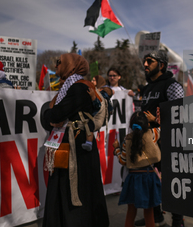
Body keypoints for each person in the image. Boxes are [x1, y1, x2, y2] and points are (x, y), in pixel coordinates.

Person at [42, 53, 109, 227]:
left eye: (59, 62)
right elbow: (53, 117)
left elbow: (55, 114)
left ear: (71, 65)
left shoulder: (79, 88)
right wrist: (50, 116)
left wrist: (48, 114)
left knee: (76, 189)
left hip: (76, 149)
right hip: (71, 146)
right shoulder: (69, 87)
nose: (56, 66)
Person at [138, 49, 185, 227]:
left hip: (167, 145)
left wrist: (157, 121)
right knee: (150, 181)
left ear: (162, 65)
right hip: (148, 144)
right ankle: (156, 215)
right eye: (145, 61)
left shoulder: (172, 86)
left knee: (171, 184)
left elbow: (179, 115)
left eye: (150, 61)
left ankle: (178, 220)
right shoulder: (148, 87)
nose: (145, 64)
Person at [113, 111, 161, 227]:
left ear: (130, 125)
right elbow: (163, 126)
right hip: (149, 177)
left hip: (133, 178)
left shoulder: (127, 140)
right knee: (149, 212)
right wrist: (154, 119)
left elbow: (123, 161)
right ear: (147, 124)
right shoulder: (152, 134)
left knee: (131, 211)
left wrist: (117, 149)